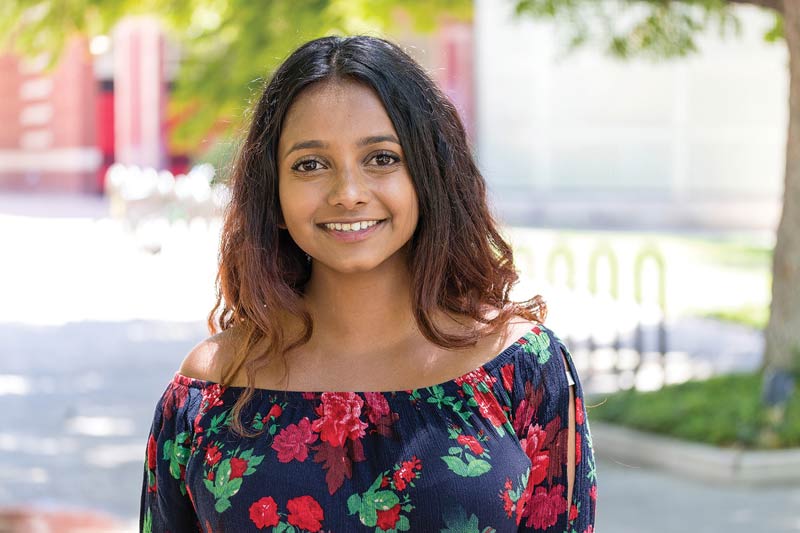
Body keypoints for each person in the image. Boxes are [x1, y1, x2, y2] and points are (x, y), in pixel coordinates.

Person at [140, 35, 597, 533]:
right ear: (272, 192)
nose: (348, 194)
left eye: (381, 158)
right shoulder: (209, 389)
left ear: (429, 174)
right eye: (310, 165)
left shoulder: (521, 368)